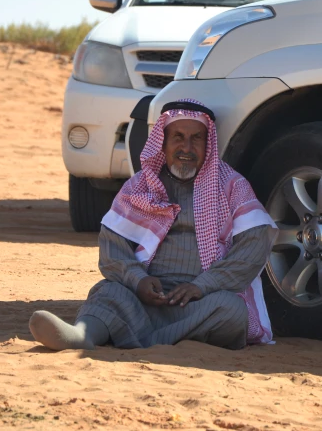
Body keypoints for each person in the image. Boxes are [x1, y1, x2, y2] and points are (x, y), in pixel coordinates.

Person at [29, 98, 277, 351]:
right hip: (143, 297)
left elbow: (253, 249)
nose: (187, 147)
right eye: (178, 137)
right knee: (108, 291)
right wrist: (138, 280)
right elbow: (112, 248)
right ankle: (81, 336)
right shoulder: (139, 186)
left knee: (232, 311)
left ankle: (132, 334)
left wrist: (202, 286)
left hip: (201, 300)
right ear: (163, 142)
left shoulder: (232, 187)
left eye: (196, 138)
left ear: (208, 143)